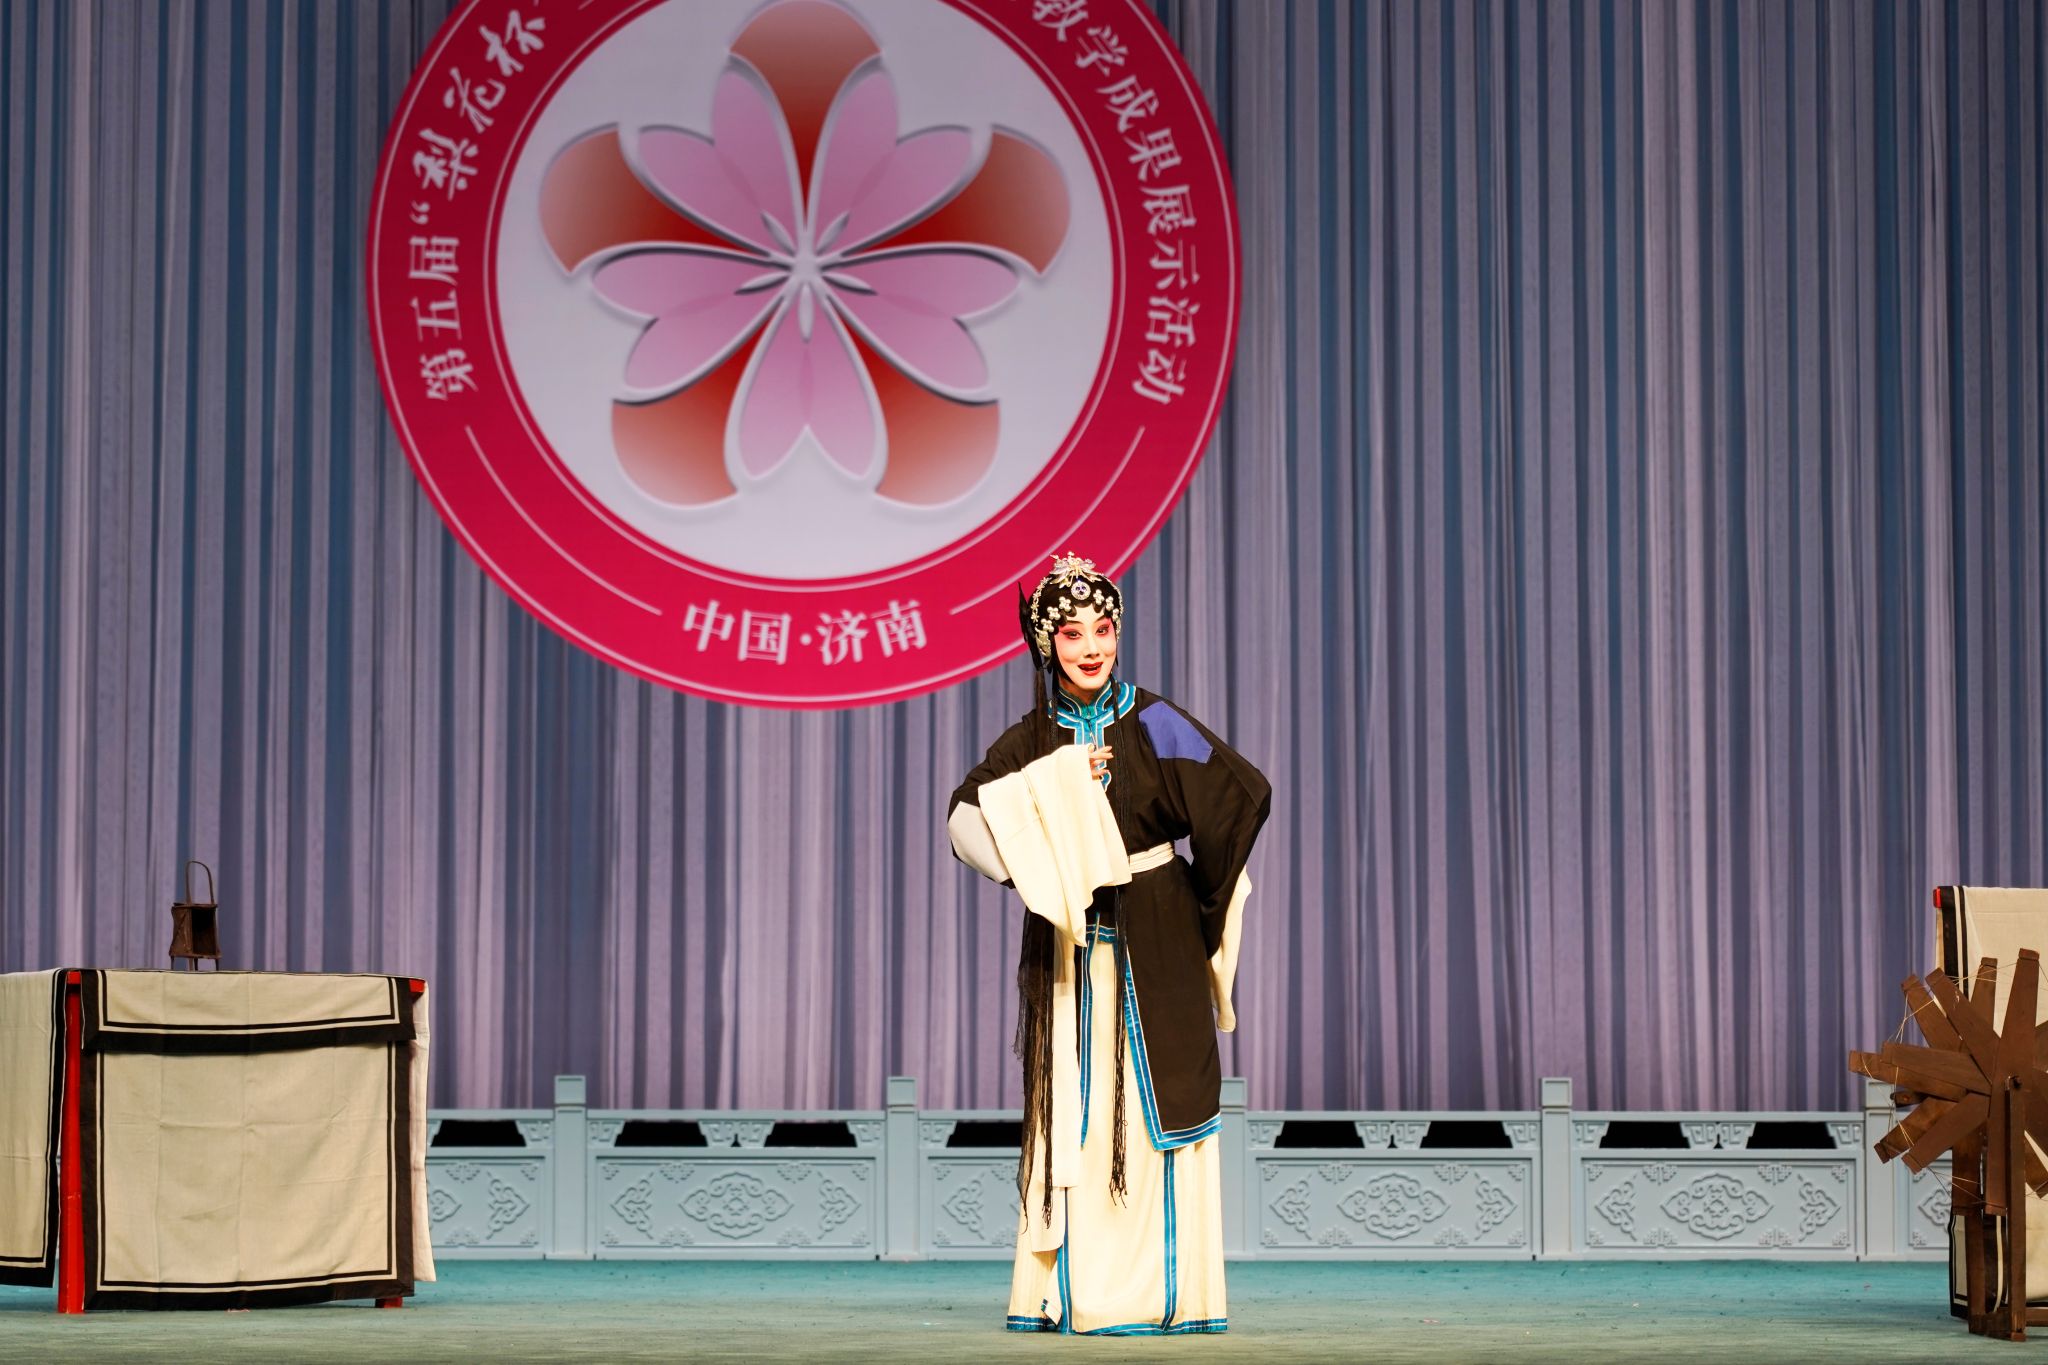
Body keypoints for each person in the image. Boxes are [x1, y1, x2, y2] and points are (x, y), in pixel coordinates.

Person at [948, 553, 1271, 1335]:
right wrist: (1058, 786)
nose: (1091, 646)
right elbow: (966, 820)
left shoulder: (1153, 720)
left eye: (1103, 629)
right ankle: (1073, 1292)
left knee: (1161, 1111)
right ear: (1046, 643)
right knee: (1078, 1113)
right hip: (1073, 953)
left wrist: (1199, 907)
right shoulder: (1034, 737)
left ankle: (1171, 1296)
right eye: (1071, 633)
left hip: (1156, 939)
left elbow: (1240, 792)